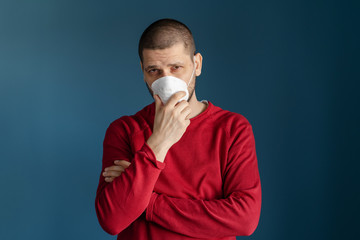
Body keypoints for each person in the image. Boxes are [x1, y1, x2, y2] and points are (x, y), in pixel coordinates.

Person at [95, 18, 261, 240]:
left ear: (197, 65)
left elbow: (245, 219)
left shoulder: (232, 129)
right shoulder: (124, 130)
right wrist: (159, 141)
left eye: (176, 67)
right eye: (154, 70)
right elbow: (112, 219)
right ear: (143, 72)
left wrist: (147, 202)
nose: (166, 80)